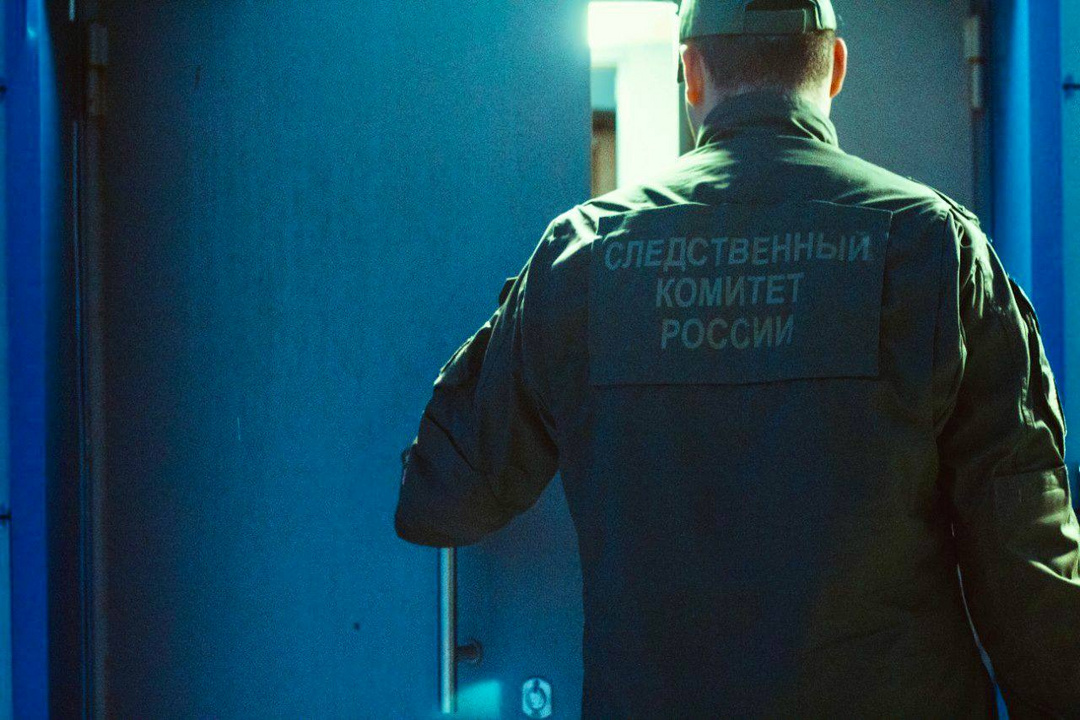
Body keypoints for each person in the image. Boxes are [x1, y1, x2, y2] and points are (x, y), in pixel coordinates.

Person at [394, 0, 1080, 715]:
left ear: (690, 74)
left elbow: (441, 501)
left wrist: (538, 304)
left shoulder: (583, 256)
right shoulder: (935, 247)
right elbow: (1029, 566)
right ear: (835, 67)